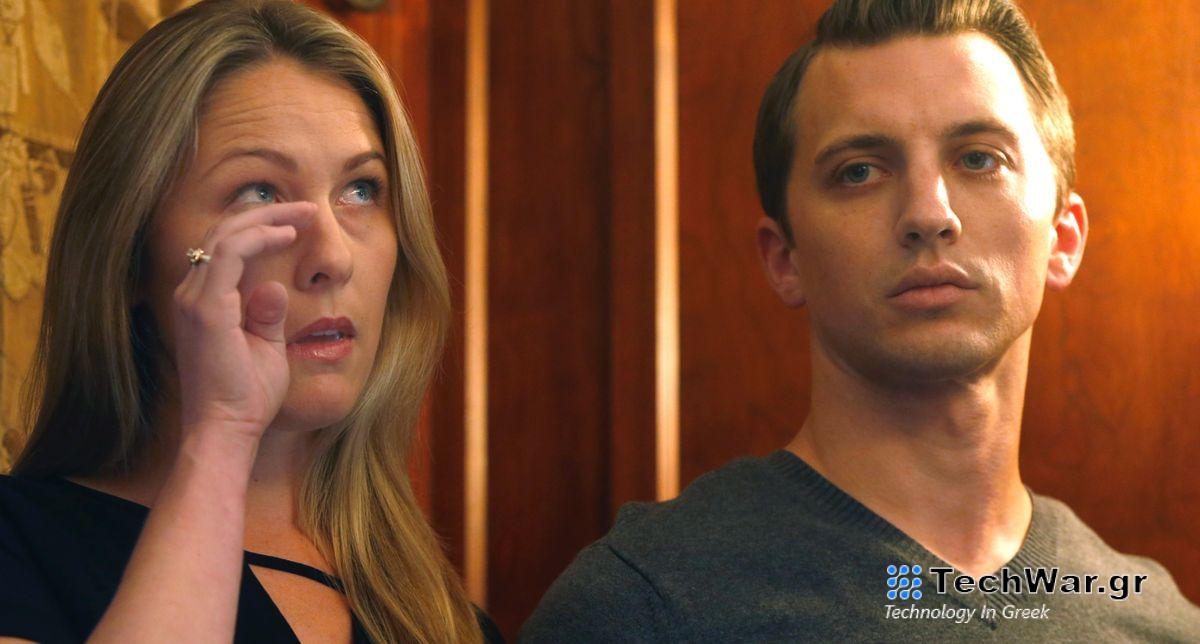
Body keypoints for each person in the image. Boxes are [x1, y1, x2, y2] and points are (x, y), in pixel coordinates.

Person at [522, 0, 1200, 640]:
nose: (929, 214)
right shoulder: (640, 608)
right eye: (859, 172)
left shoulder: (1156, 621)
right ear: (784, 258)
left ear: (1064, 236)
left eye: (978, 158)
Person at [0, 1, 501, 642]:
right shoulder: (20, 551)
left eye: (361, 190)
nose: (332, 257)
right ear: (127, 258)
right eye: (259, 193)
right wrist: (223, 434)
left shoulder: (445, 619)